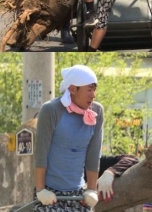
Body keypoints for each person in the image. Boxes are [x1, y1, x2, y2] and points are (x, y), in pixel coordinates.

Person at [35, 64, 103, 212]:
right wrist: (40, 190)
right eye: (89, 90)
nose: (93, 94)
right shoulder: (51, 110)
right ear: (73, 89)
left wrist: (92, 189)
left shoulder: (97, 110)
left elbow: (94, 153)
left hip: (79, 194)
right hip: (50, 192)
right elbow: (41, 152)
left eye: (94, 89)